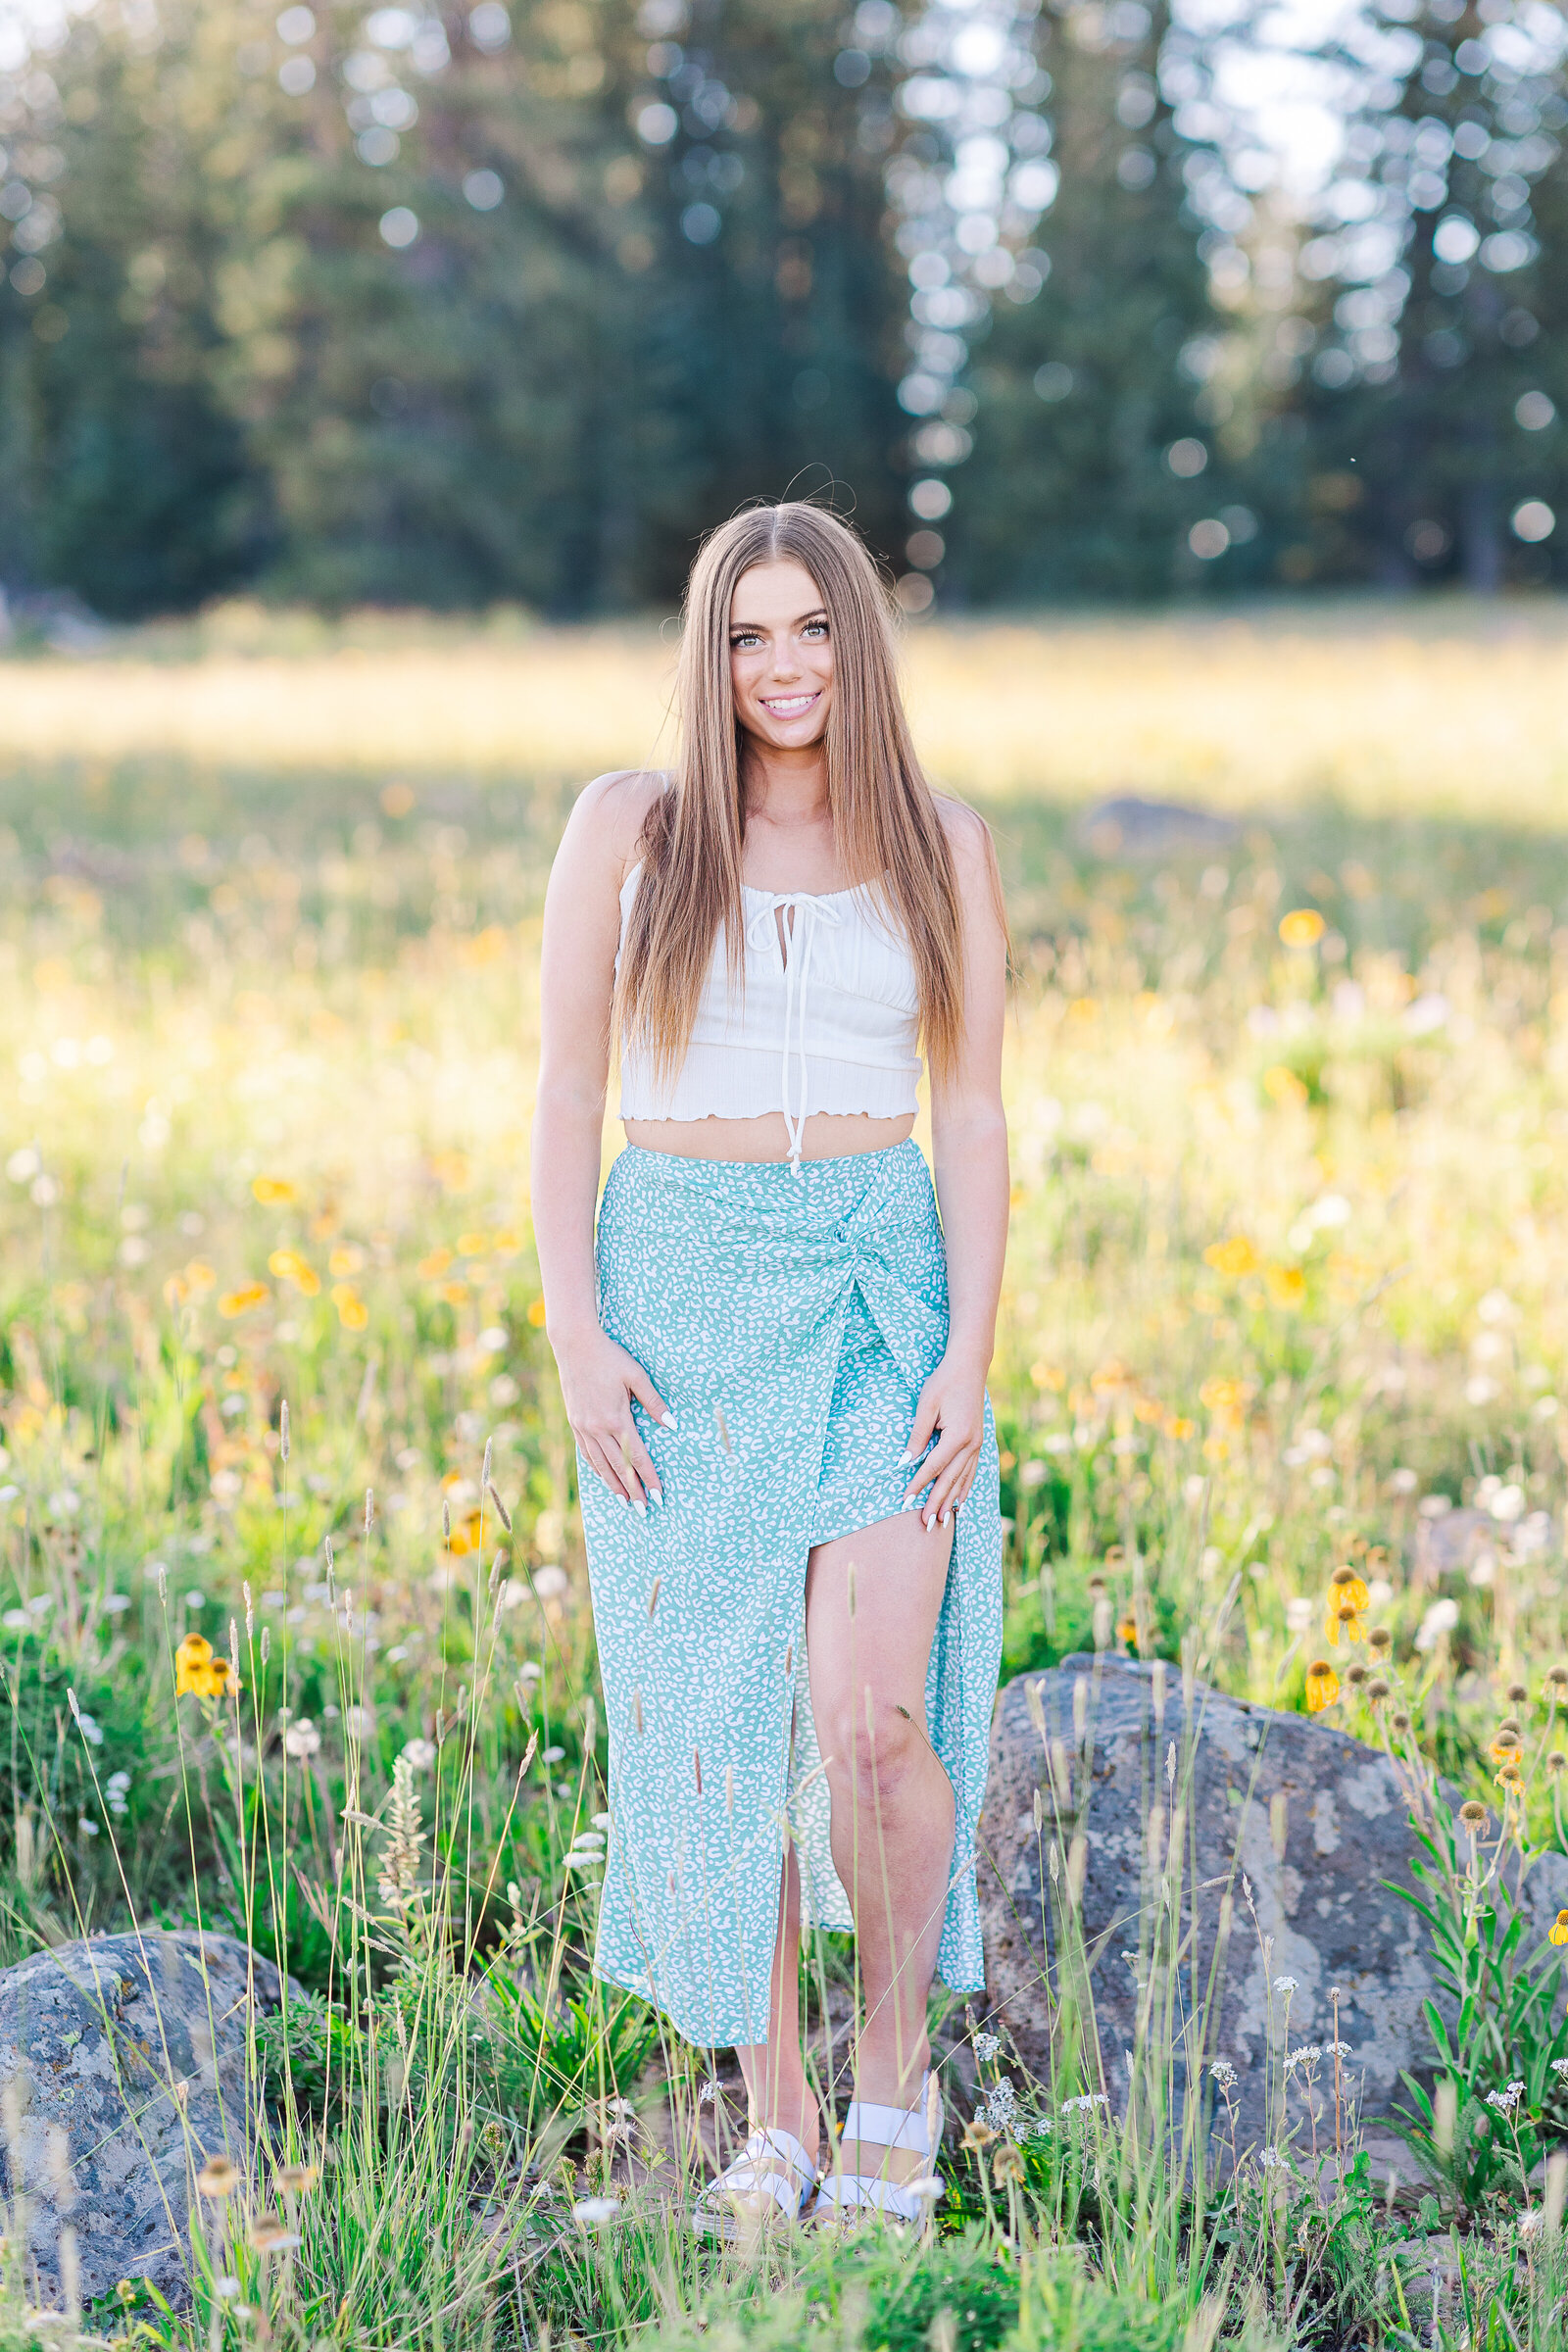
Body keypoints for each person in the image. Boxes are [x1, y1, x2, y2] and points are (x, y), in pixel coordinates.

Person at [530, 501, 1008, 2233]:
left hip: (881, 1279)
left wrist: (970, 1341)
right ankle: (780, 2117)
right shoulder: (632, 828)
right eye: (748, 635)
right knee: (728, 1725)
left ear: (858, 644)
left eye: (814, 630)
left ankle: (897, 2077)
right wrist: (579, 1331)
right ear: (708, 654)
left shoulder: (938, 840)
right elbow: (567, 1097)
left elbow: (968, 1106)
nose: (784, 666)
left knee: (869, 1719)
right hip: (680, 1287)